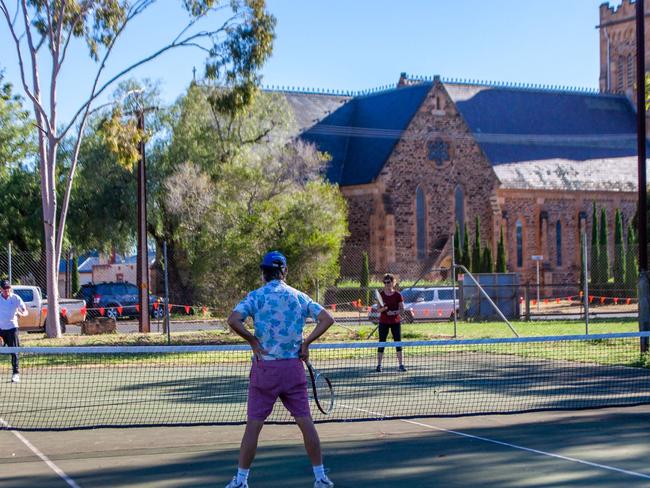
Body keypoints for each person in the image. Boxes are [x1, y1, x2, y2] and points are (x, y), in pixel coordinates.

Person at [225, 251, 335, 488]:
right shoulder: (298, 296)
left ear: (263, 272)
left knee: (253, 425)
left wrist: (252, 341)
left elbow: (233, 319)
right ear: (284, 271)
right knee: (306, 422)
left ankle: (241, 481)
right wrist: (306, 343)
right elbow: (327, 318)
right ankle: (320, 478)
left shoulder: (256, 296)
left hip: (265, 370)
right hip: (292, 370)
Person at [376, 273, 406, 372]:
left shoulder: (398, 295)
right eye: (385, 282)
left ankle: (401, 364)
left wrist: (393, 312)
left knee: (398, 343)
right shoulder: (381, 294)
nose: (387, 284)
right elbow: (378, 310)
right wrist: (384, 308)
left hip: (395, 322)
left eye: (388, 282)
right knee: (381, 343)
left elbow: (402, 309)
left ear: (393, 282)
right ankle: (379, 365)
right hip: (383, 322)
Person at [0, 280, 27, 383]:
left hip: (12, 328)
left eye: (8, 288)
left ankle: (15, 374)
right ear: (1, 289)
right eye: (5, 288)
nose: (7, 290)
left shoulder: (15, 298)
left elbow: (25, 311)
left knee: (14, 352)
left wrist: (22, 314)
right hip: (1, 329)